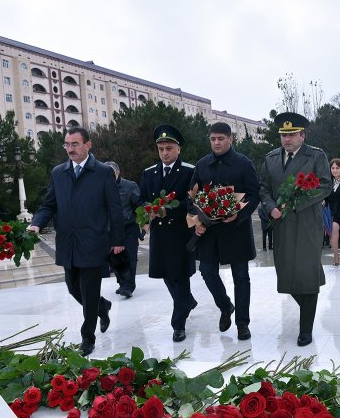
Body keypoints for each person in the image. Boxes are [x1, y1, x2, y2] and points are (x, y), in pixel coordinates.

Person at [29, 126, 125, 356]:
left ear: (87, 145)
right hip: (68, 242)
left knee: (89, 291)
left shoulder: (102, 172)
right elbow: (49, 204)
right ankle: (102, 307)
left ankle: (87, 338)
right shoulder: (58, 173)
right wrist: (36, 223)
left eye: (75, 144)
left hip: (94, 241)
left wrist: (118, 239)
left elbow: (114, 208)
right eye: (67, 145)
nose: (70, 149)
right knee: (73, 288)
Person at [259, 112, 331, 346]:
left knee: (307, 273)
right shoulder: (270, 159)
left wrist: (295, 203)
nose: (287, 139)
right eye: (283, 135)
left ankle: (306, 328)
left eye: (291, 134)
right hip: (281, 224)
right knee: (287, 272)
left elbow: (325, 185)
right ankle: (307, 311)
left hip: (307, 222)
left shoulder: (316, 156)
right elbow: (263, 188)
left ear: (302, 135)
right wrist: (270, 207)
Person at [190, 122, 259, 341]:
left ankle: (242, 324)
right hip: (210, 231)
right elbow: (190, 196)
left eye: (221, 138)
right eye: (213, 139)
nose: (217, 143)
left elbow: (254, 194)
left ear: (231, 139)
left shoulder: (244, 164)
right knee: (207, 272)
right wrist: (196, 220)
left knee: (241, 277)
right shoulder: (201, 165)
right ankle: (225, 306)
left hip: (235, 230)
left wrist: (239, 214)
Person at [139, 125, 197, 342]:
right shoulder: (149, 173)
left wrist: (167, 209)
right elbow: (142, 198)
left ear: (178, 149)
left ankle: (178, 324)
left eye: (169, 148)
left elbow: (191, 200)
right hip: (160, 234)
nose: (164, 152)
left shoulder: (189, 171)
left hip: (181, 232)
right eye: (161, 148)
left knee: (180, 277)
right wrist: (147, 209)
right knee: (164, 273)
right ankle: (187, 302)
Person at [104, 161, 140, 298]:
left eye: (111, 174)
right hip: (110, 230)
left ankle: (128, 286)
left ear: (117, 173)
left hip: (128, 227)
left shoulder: (130, 186)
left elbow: (139, 204)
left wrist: (143, 223)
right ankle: (122, 282)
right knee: (114, 258)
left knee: (130, 256)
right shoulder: (101, 188)